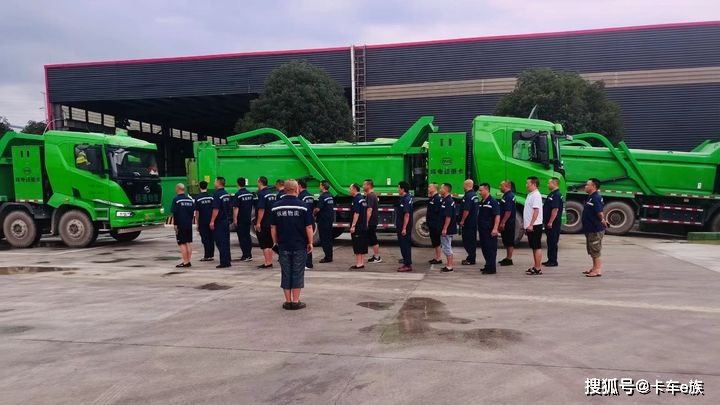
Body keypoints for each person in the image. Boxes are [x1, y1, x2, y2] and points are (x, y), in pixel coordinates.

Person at [270, 179, 314, 310]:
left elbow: (273, 227)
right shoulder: (303, 206)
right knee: (297, 272)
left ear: (285, 189)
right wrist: (310, 242)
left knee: (286, 273)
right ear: (297, 189)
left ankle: (287, 301)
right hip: (299, 245)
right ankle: (296, 301)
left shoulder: (276, 207)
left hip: (283, 245)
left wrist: (275, 242)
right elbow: (309, 227)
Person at [582, 178, 609, 277]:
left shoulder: (596, 197)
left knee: (595, 250)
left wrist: (603, 220)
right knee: (592, 250)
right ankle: (594, 268)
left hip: (595, 229)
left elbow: (599, 212)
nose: (585, 186)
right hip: (590, 229)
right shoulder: (591, 197)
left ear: (593, 186)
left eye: (587, 185)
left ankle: (597, 270)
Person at [477, 183, 501, 274]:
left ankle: (491, 268)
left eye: (481, 190)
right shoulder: (482, 201)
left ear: (487, 190)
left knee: (490, 249)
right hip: (483, 229)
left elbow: (497, 215)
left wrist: (495, 228)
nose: (479, 192)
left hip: (489, 230)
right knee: (485, 248)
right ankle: (487, 265)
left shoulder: (492, 202)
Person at [209, 177, 232, 268]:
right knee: (226, 241)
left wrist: (212, 221)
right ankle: (227, 259)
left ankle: (224, 262)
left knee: (220, 241)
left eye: (215, 181)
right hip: (226, 220)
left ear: (218, 183)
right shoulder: (226, 194)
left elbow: (216, 209)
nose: (214, 183)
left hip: (219, 221)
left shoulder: (217, 194)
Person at [171, 183, 195, 268]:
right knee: (188, 242)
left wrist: (175, 224)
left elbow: (175, 213)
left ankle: (185, 262)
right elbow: (192, 213)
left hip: (181, 224)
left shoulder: (176, 200)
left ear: (177, 189)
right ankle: (188, 260)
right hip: (188, 224)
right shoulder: (189, 200)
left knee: (182, 243)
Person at [524, 176, 544, 275]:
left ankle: (538, 268)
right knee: (534, 247)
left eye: (528, 183)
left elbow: (536, 211)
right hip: (530, 225)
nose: (526, 185)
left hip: (535, 225)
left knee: (537, 246)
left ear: (534, 184)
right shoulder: (530, 194)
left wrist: (531, 224)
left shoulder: (536, 195)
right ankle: (535, 266)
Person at [255, 176, 277, 269]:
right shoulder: (271, 193)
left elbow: (261, 209)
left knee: (264, 244)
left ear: (260, 182)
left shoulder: (261, 194)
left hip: (264, 222)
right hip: (271, 221)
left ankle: (267, 262)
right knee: (269, 243)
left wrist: (258, 222)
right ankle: (270, 261)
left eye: (257, 182)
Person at [543, 177, 563, 267]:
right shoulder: (552, 194)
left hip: (554, 224)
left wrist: (550, 222)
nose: (547, 185)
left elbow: (555, 209)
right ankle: (550, 259)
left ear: (554, 184)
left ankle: (553, 261)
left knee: (553, 242)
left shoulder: (556, 195)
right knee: (550, 241)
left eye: (549, 183)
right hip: (550, 223)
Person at [233, 177, 254, 262]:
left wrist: (235, 219)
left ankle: (246, 255)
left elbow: (236, 208)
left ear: (237, 184)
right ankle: (249, 254)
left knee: (242, 237)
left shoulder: (238, 194)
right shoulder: (250, 194)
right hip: (248, 218)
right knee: (247, 236)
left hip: (241, 219)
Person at [314, 180, 335, 263]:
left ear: (323, 186)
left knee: (324, 239)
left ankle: (327, 257)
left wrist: (313, 213)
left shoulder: (322, 197)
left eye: (320, 185)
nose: (319, 187)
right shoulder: (330, 195)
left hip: (323, 221)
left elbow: (318, 209)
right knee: (329, 239)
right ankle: (330, 255)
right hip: (329, 220)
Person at [459, 179, 479, 265]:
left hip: (468, 223)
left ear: (466, 185)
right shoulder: (474, 195)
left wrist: (462, 221)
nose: (463, 187)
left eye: (464, 185)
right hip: (473, 222)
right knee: (472, 240)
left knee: (467, 241)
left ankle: (471, 259)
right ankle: (471, 257)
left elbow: (466, 210)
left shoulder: (468, 196)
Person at [194, 181, 214, 262]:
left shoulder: (198, 198)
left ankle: (207, 256)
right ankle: (211, 255)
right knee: (211, 238)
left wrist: (197, 223)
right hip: (211, 221)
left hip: (203, 221)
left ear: (199, 187)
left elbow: (197, 212)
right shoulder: (211, 197)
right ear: (207, 186)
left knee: (205, 239)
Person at [349, 183, 368, 270]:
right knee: (362, 244)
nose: (349, 190)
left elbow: (356, 213)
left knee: (357, 244)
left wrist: (353, 225)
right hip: (363, 225)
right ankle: (362, 262)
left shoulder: (356, 199)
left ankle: (359, 264)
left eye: (350, 189)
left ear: (354, 189)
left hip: (358, 226)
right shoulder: (362, 199)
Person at [297, 179, 315, 269]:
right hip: (310, 220)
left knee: (303, 243)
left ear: (299, 186)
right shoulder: (309, 196)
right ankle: (309, 262)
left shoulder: (301, 196)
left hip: (303, 222)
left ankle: (306, 263)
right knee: (309, 242)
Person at [396, 181, 413, 272]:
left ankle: (407, 265)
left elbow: (407, 215)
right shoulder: (404, 198)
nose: (398, 190)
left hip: (404, 227)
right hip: (401, 225)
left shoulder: (406, 199)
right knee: (403, 245)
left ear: (403, 189)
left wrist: (404, 228)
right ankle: (406, 260)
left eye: (398, 188)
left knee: (405, 245)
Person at [363, 179, 382, 263]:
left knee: (373, 238)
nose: (363, 186)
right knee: (372, 238)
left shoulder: (370, 196)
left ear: (369, 185)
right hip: (373, 221)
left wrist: (366, 222)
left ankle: (377, 257)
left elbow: (369, 210)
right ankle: (375, 256)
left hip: (371, 221)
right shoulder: (372, 195)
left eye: (364, 185)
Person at [498, 180, 516, 267]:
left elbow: (508, 211)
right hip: (508, 222)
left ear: (506, 186)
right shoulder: (507, 195)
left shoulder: (509, 196)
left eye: (501, 186)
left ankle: (509, 259)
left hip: (508, 222)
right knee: (506, 240)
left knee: (509, 241)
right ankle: (507, 257)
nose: (499, 187)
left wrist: (503, 222)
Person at [439, 183, 457, 273]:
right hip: (446, 228)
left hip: (448, 229)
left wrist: (445, 228)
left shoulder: (448, 201)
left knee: (447, 247)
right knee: (446, 246)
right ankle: (449, 265)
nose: (440, 190)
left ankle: (450, 266)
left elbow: (448, 216)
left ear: (446, 190)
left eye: (441, 188)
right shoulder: (446, 200)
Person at [427, 183, 443, 265]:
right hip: (432, 223)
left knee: (437, 241)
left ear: (435, 188)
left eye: (430, 187)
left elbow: (438, 213)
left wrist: (437, 224)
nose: (428, 188)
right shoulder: (432, 198)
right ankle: (437, 257)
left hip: (435, 224)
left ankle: (439, 258)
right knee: (435, 241)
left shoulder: (437, 198)